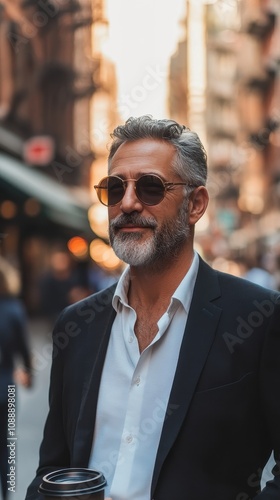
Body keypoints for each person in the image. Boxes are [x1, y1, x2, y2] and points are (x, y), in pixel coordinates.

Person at [25, 116, 280, 500]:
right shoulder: (75, 325)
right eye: (114, 188)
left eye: (150, 187)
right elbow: (53, 469)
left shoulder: (259, 317)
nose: (127, 203)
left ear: (195, 204)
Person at [0, 258, 32, 500]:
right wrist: (29, 374)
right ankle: (8, 492)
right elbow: (24, 349)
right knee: (7, 444)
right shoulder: (14, 309)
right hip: (7, 390)